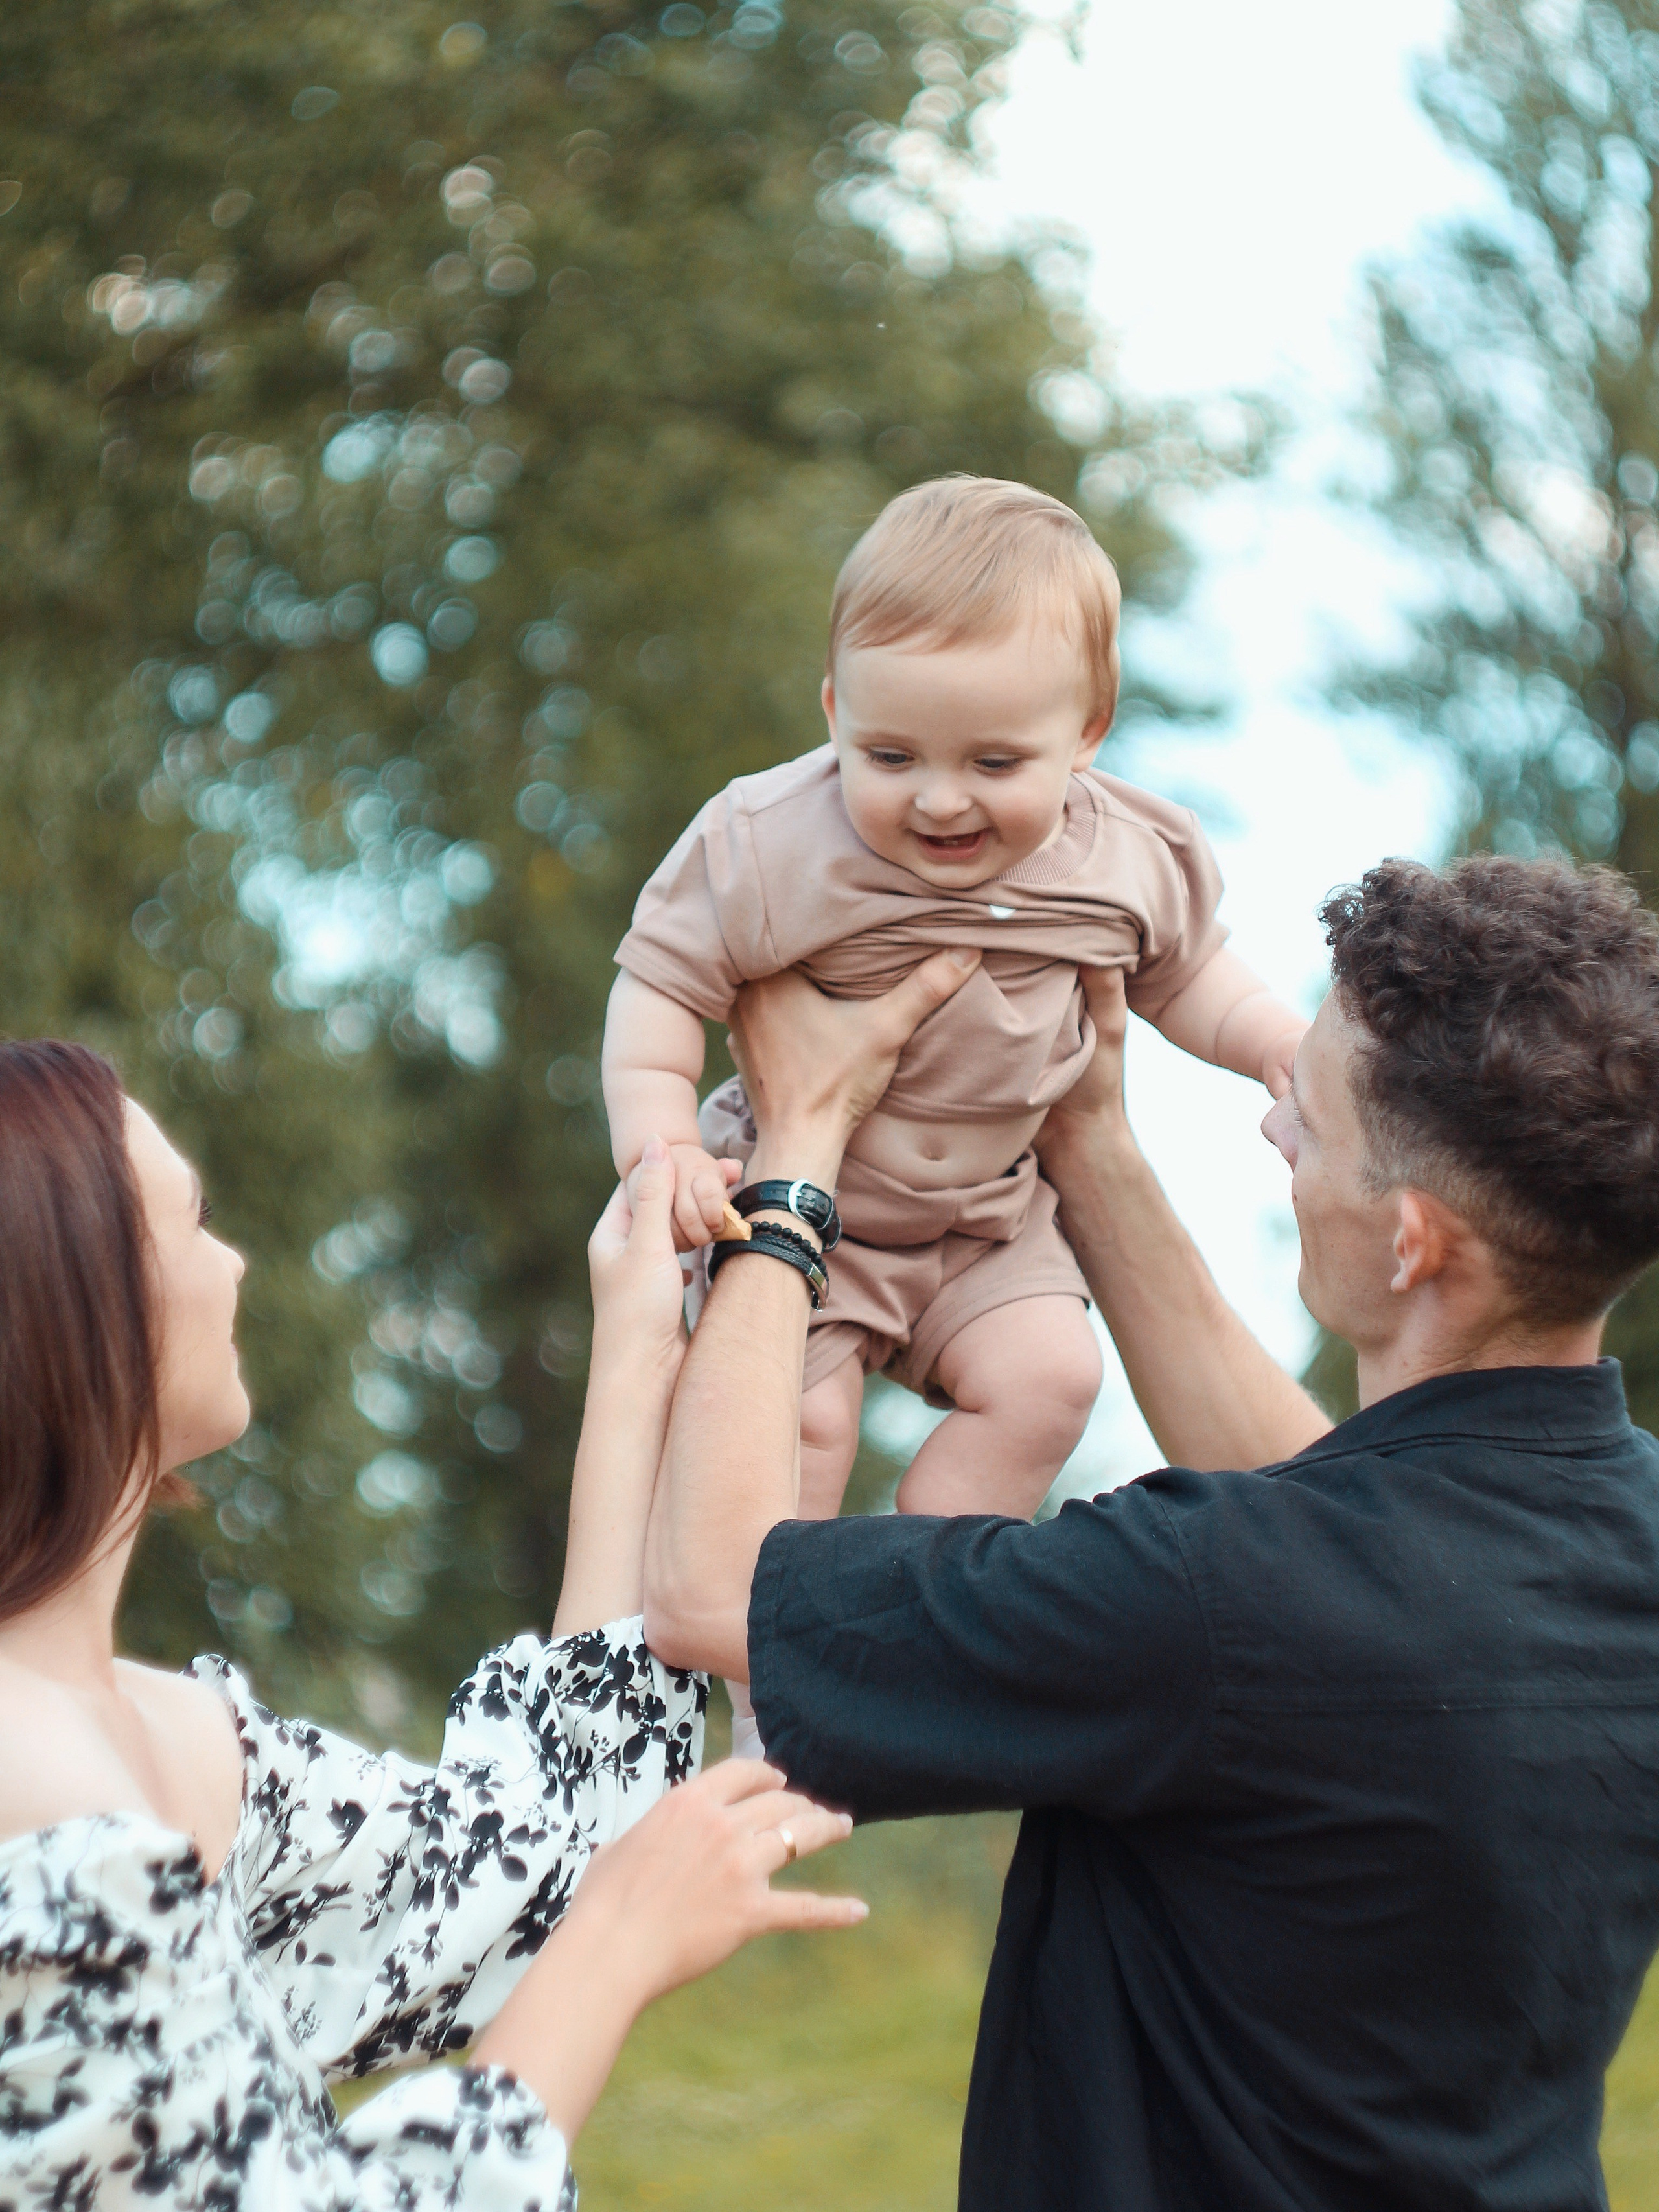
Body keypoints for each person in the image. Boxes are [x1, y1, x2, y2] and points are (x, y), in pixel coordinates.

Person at [642, 854, 1659, 2211]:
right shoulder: (1607, 1541)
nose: (1275, 1128)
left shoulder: (1208, 1595)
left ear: (1413, 1244)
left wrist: (796, 1147)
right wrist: (1089, 1140)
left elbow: (712, 1588)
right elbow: (1357, 1531)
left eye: (1312, 1121)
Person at [0, 1049, 863, 2211]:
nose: (234, 1261)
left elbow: (527, 1860)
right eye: (194, 1220)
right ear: (81, 1292)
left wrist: (639, 1345)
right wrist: (614, 1949)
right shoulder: (32, 1783)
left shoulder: (170, 1735)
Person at [603, 475, 1306, 1533]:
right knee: (801, 1428)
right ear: (835, 710)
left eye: (995, 761)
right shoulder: (769, 842)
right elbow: (660, 982)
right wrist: (664, 1153)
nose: (938, 798)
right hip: (809, 1216)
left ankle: (930, 1584)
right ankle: (764, 1641)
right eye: (889, 756)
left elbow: (1194, 975)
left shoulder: (1126, 855)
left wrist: (1277, 1045)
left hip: (991, 1223)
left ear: (1087, 731)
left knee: (1053, 1377)